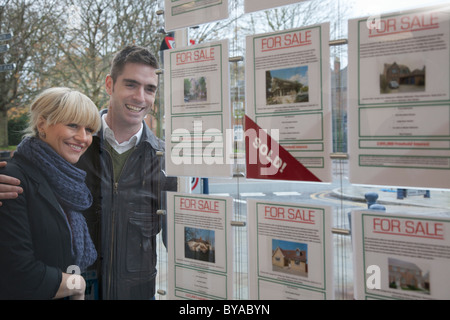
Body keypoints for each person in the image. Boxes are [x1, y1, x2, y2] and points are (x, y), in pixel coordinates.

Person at [0, 45, 177, 299]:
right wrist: (75, 285)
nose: (140, 97)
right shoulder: (69, 151)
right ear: (109, 85)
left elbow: (182, 247)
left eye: (150, 89)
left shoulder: (164, 161)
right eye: (130, 84)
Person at [0, 87, 101, 299]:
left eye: (89, 130)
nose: (83, 138)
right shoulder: (11, 181)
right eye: (73, 125)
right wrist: (77, 284)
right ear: (42, 124)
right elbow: (21, 275)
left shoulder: (71, 181)